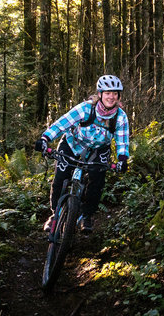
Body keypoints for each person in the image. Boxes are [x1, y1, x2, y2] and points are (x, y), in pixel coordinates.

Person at [34, 74, 130, 232]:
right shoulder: (85, 109)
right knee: (60, 177)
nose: (111, 97)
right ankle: (55, 215)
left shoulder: (120, 117)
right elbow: (62, 124)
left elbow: (122, 141)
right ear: (100, 94)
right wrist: (45, 138)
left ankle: (86, 216)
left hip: (99, 149)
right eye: (107, 93)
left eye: (115, 94)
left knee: (97, 181)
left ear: (118, 96)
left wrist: (122, 159)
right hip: (72, 144)